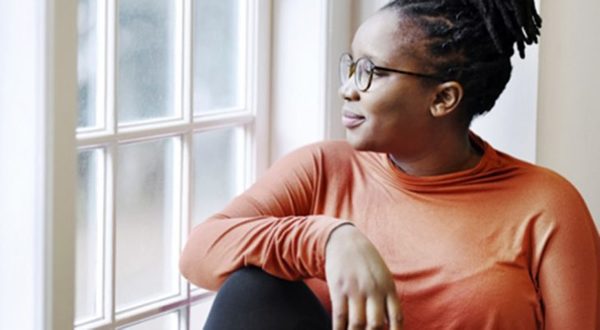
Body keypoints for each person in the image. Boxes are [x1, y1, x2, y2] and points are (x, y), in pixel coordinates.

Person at [180, 0, 600, 329]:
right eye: (350, 66)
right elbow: (200, 252)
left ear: (443, 99)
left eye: (371, 72)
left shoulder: (546, 205)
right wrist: (328, 238)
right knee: (253, 290)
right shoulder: (323, 168)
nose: (347, 89)